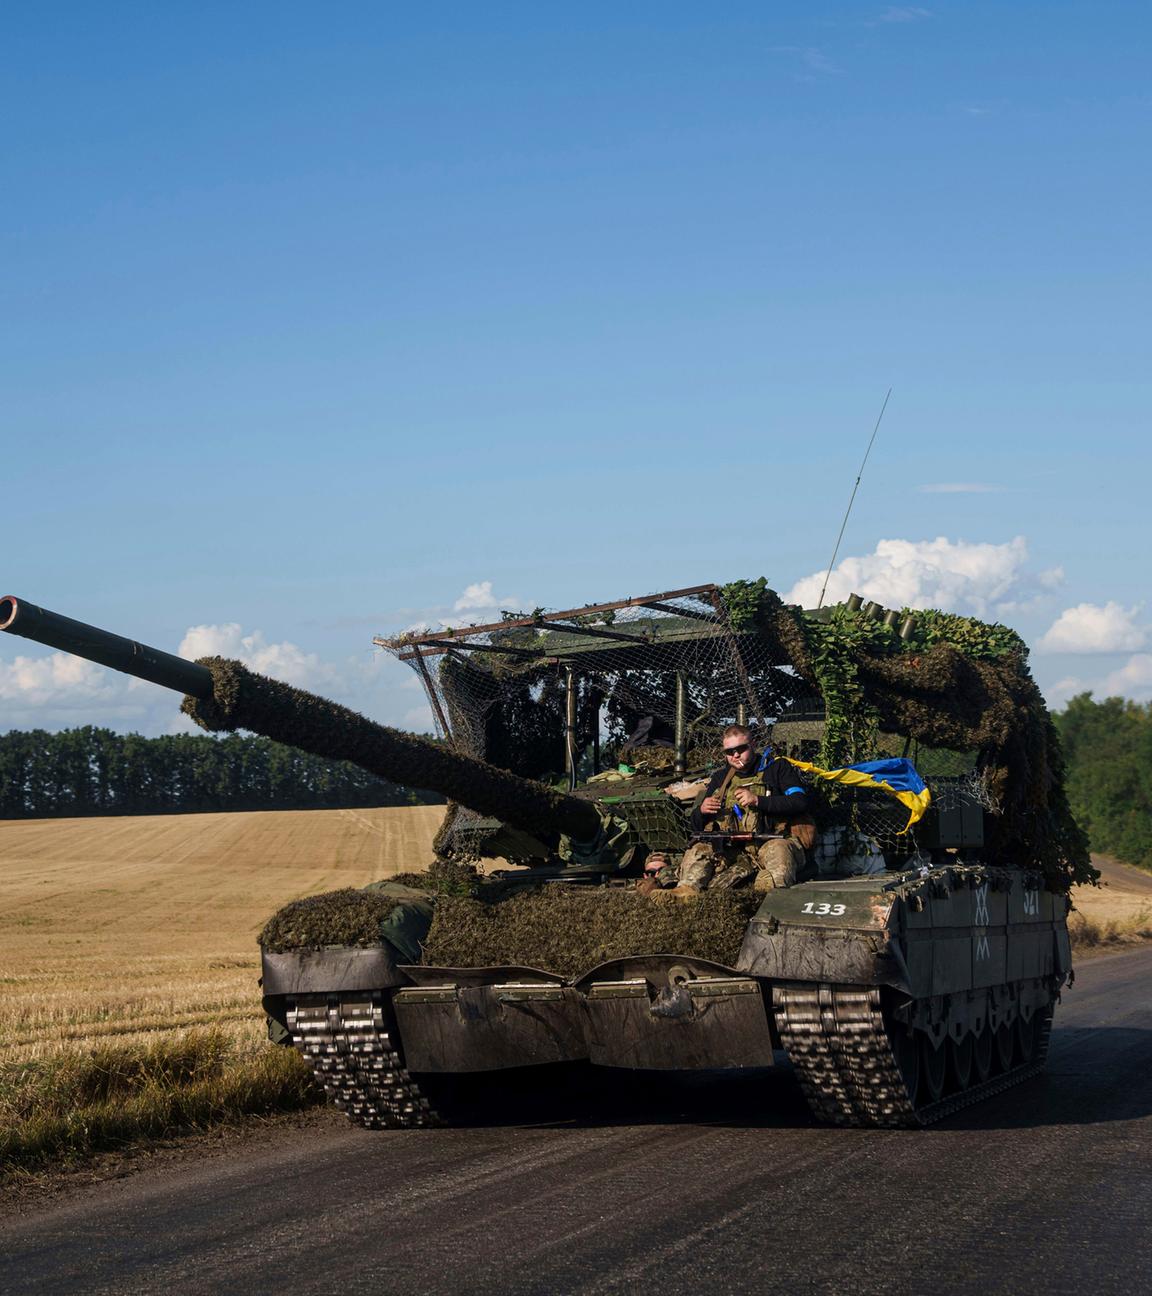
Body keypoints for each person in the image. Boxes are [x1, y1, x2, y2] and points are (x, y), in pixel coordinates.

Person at [679, 724, 810, 892]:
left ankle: (772, 895)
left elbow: (800, 802)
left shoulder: (777, 768)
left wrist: (758, 801)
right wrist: (702, 811)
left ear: (753, 745)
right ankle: (684, 893)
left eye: (741, 748)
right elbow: (696, 826)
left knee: (779, 851)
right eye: (729, 751)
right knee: (698, 850)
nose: (735, 755)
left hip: (770, 843)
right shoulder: (721, 778)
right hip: (731, 850)